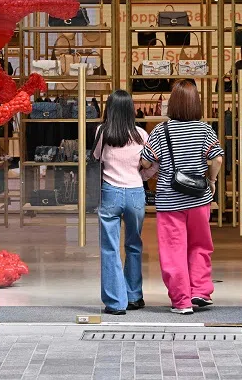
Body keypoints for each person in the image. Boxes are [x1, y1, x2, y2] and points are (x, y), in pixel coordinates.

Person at [141, 80, 224, 315]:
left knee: (173, 250)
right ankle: (200, 291)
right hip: (199, 198)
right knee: (200, 245)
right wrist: (212, 180)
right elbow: (216, 159)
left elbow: (147, 161)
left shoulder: (161, 130)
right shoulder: (205, 129)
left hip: (170, 200)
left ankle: (182, 301)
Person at [93, 89, 155, 315]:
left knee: (110, 248)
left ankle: (115, 302)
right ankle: (134, 296)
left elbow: (97, 158)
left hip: (110, 192)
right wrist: (143, 177)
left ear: (109, 108)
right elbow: (153, 163)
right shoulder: (141, 134)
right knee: (134, 245)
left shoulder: (102, 132)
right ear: (131, 109)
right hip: (136, 193)